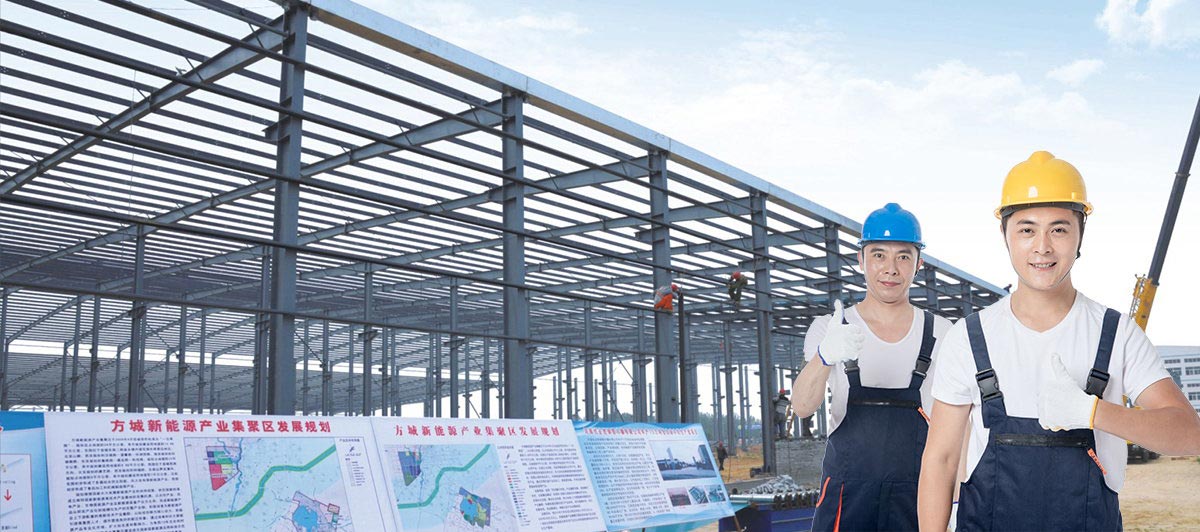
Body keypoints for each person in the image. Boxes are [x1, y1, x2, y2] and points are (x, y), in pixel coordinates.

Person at [917, 151, 1200, 531]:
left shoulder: (1116, 334)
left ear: (1081, 234)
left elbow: (1190, 435)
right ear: (1005, 235)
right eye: (1027, 230)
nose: (1043, 247)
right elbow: (940, 461)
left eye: (1059, 229)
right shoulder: (968, 338)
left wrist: (1093, 412)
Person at [790, 203, 953, 532]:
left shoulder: (942, 333)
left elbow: (955, 430)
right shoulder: (831, 328)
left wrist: (957, 501)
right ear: (861, 260)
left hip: (918, 496)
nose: (890, 269)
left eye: (903, 256)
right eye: (879, 255)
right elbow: (802, 407)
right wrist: (825, 355)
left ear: (919, 264)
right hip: (846, 499)